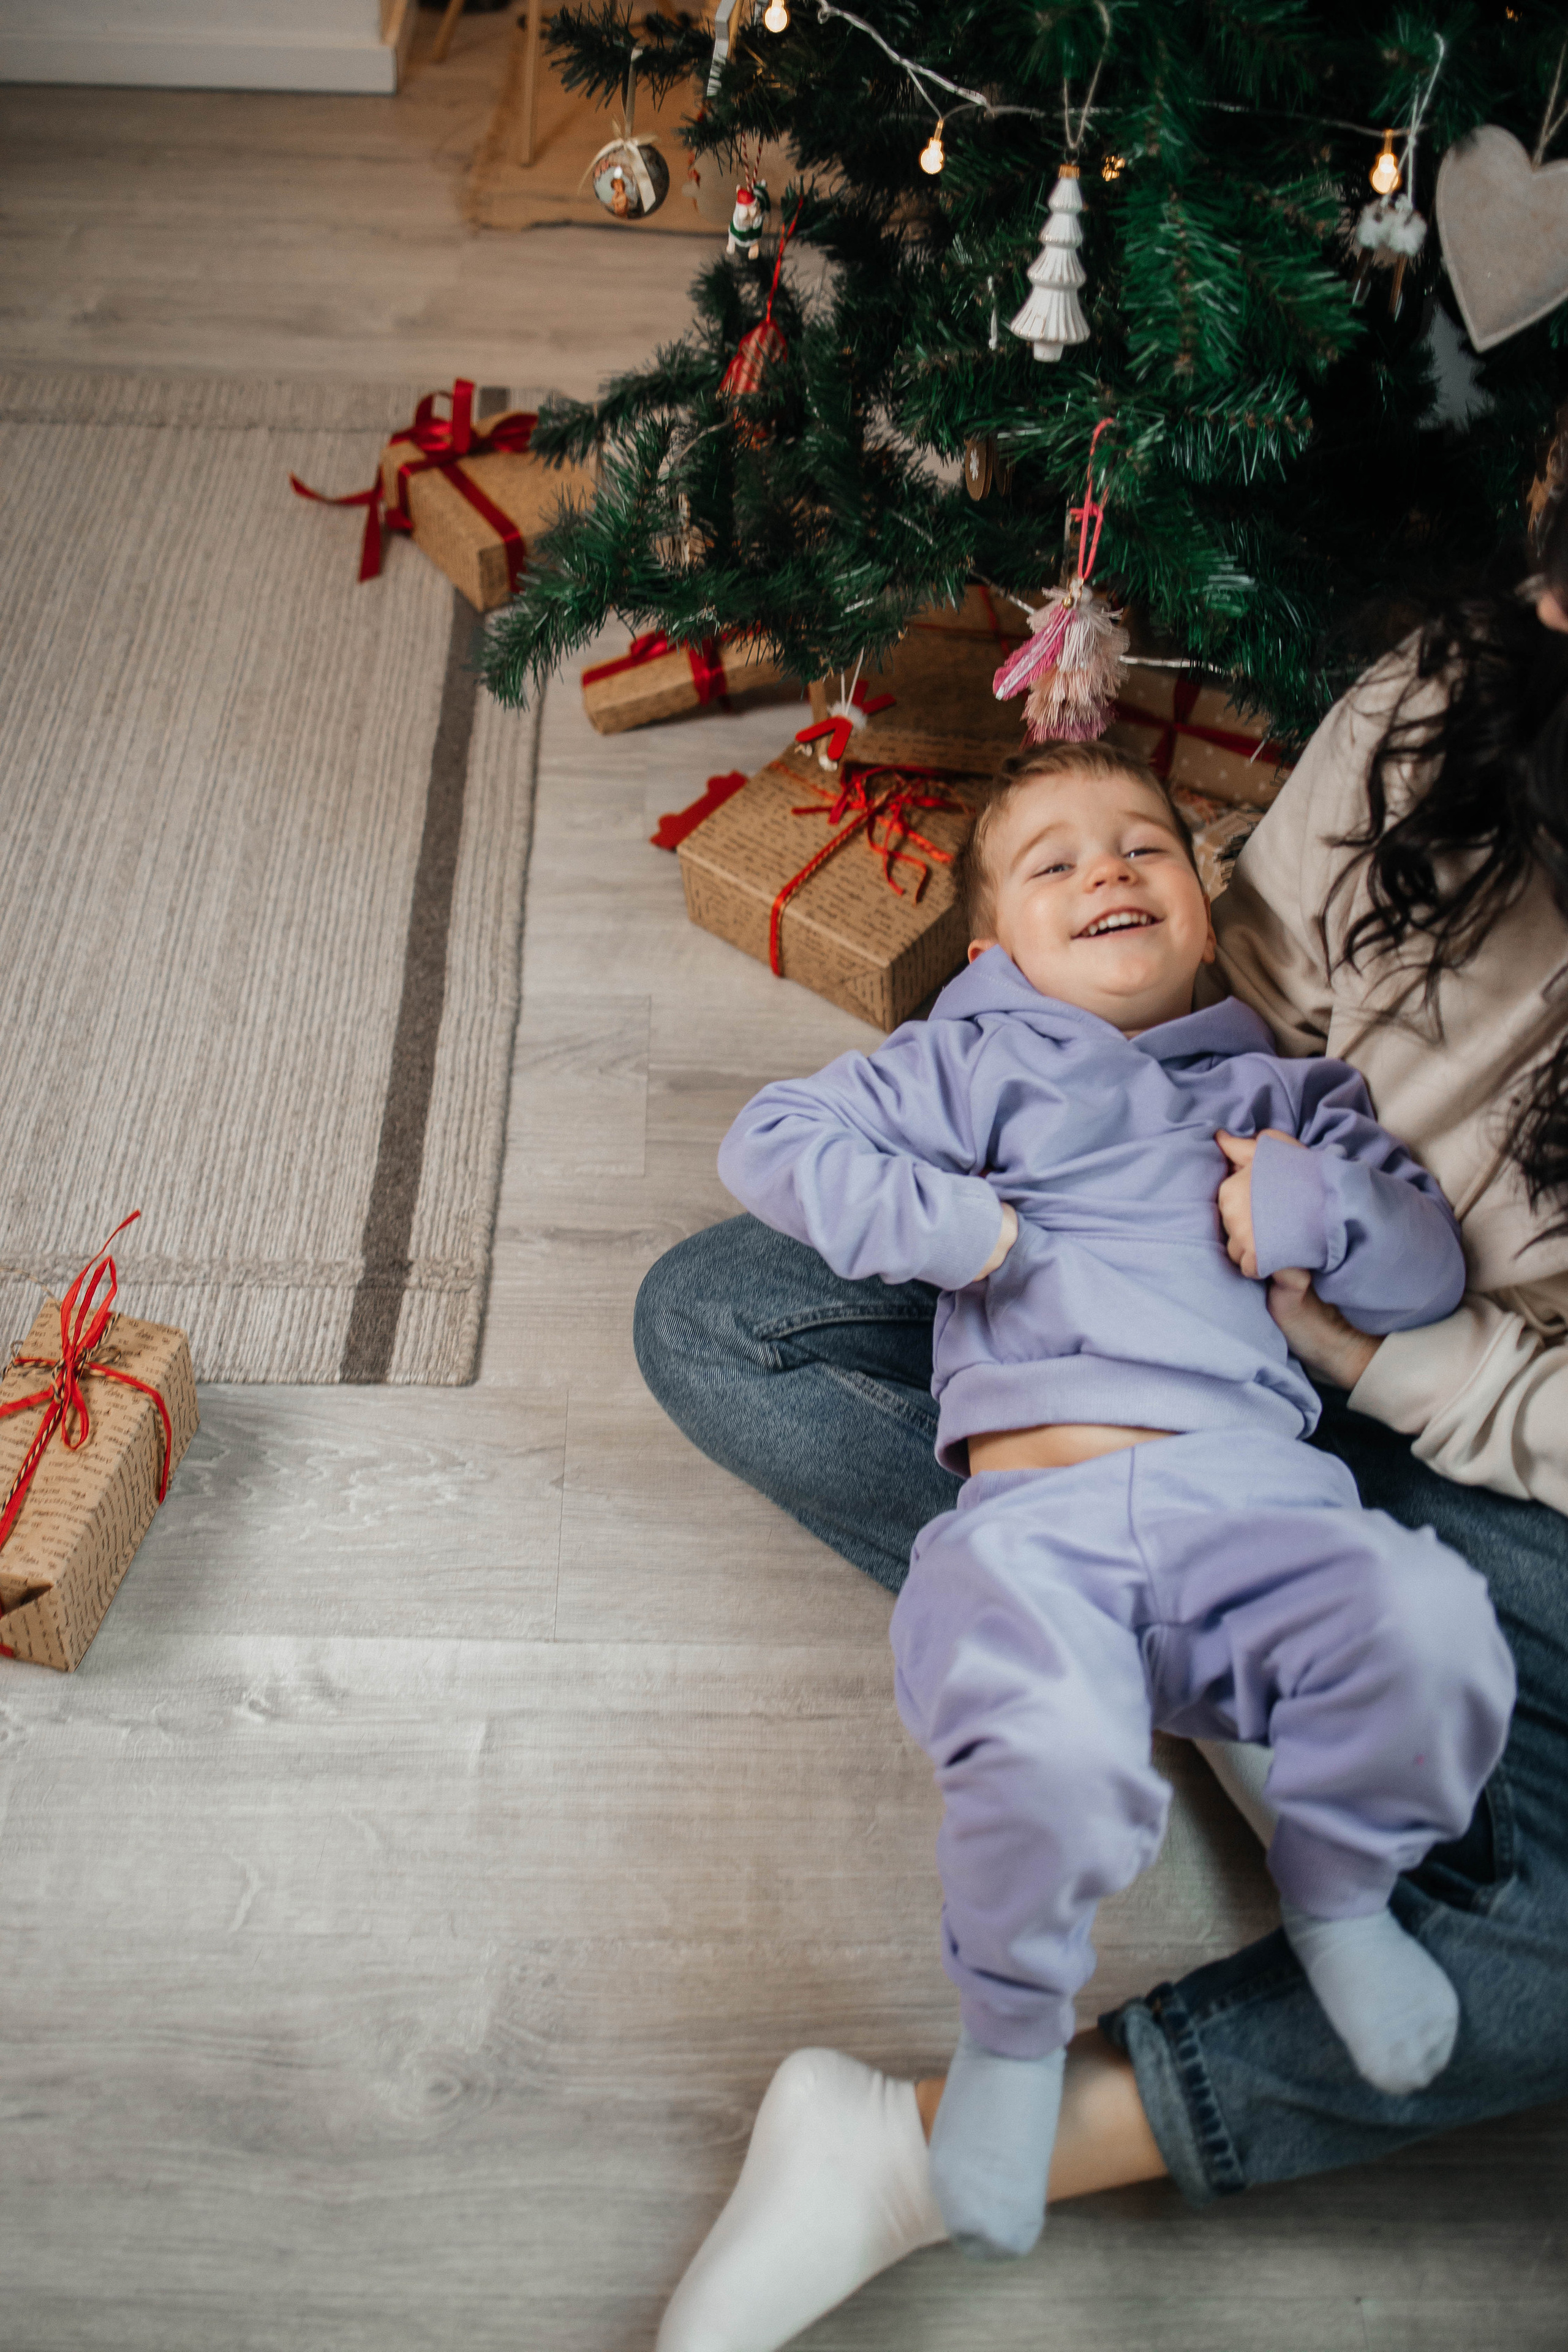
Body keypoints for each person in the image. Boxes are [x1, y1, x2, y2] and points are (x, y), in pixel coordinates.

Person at [635, 505, 1568, 2351]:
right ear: (983, 948)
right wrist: (965, 1224)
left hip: (1421, 1434)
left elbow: (1387, 1241)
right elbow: (789, 1139)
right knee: (730, 1333)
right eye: (1053, 865)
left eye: (1144, 841)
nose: (1112, 867)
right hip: (1071, 1497)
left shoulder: (1296, 1101)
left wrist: (1333, 1248)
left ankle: (965, 2118)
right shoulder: (994, 1051)